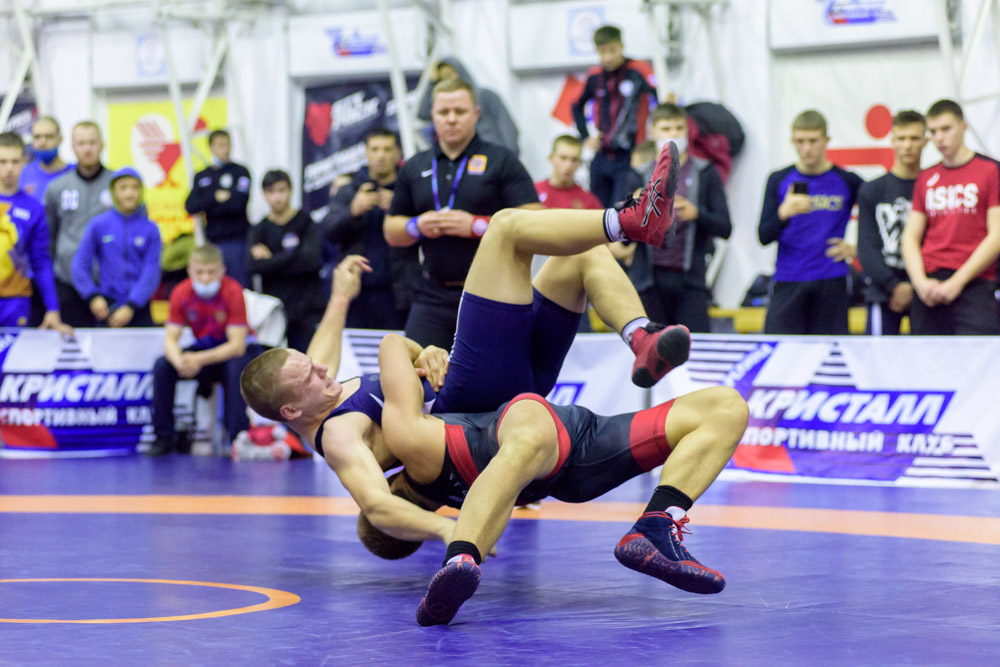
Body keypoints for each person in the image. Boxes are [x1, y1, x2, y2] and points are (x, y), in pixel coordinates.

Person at [241, 144, 747, 626]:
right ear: (292, 411)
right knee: (504, 229)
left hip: (509, 401)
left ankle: (641, 338)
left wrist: (346, 303)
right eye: (308, 376)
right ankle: (629, 222)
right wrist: (450, 531)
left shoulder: (318, 397)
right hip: (474, 397)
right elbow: (376, 506)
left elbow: (316, 361)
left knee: (582, 257)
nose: (321, 370)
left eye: (311, 366)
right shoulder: (339, 435)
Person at [385, 78, 541, 350]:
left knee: (494, 374)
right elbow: (391, 230)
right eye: (444, 112)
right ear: (432, 115)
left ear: (476, 114)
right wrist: (417, 225)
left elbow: (535, 221)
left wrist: (477, 226)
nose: (451, 119)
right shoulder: (415, 165)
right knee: (414, 369)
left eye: (460, 111)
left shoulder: (501, 160)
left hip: (493, 293)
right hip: (433, 294)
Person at [624, 103, 732, 333]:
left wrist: (697, 213)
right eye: (666, 129)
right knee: (652, 347)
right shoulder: (638, 175)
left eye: (678, 128)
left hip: (691, 282)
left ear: (687, 131)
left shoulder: (705, 172)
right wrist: (636, 211)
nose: (673, 134)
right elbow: (621, 237)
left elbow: (725, 227)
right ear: (652, 132)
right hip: (648, 282)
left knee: (695, 347)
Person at [148, 243, 264, 456]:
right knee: (163, 365)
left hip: (232, 353)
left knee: (235, 368)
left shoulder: (233, 291)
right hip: (204, 350)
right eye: (199, 272)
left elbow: (237, 346)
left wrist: (198, 359)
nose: (205, 278)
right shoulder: (181, 292)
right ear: (190, 271)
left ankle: (237, 439)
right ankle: (163, 437)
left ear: (222, 271)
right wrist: (180, 362)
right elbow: (170, 340)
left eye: (211, 272)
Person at [758, 109, 864, 335]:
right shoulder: (779, 179)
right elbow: (763, 236)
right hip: (788, 277)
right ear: (792, 141)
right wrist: (783, 213)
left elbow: (878, 215)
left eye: (813, 141)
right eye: (800, 141)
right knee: (781, 351)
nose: (806, 148)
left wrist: (857, 249)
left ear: (826, 140)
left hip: (831, 279)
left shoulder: (847, 180)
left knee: (831, 352)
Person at [901, 99, 1000, 335]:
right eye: (933, 131)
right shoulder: (927, 177)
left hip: (975, 281)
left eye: (946, 129)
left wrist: (958, 282)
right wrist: (920, 283)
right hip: (930, 283)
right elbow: (910, 237)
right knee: (926, 355)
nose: (939, 138)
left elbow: (996, 235)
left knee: (979, 354)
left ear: (963, 127)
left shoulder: (990, 170)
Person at [323, 128, 419, 330]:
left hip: (398, 292)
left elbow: (427, 231)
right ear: (366, 152)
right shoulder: (349, 190)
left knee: (398, 347)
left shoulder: (410, 189)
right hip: (356, 292)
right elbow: (328, 233)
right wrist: (353, 212)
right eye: (375, 149)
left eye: (387, 149)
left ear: (398, 153)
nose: (380, 156)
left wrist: (399, 207)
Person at [857, 110, 928, 336]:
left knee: (930, 355)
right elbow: (867, 246)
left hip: (927, 290)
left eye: (914, 138)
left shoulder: (934, 186)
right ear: (892, 141)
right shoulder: (872, 189)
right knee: (877, 356)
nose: (907, 145)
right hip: (883, 292)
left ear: (926, 141)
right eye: (901, 138)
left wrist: (915, 285)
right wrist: (894, 285)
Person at [572, 24, 657, 208]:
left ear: (622, 47)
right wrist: (586, 137)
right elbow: (576, 105)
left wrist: (650, 143)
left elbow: (660, 97)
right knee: (597, 212)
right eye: (602, 51)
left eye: (612, 50)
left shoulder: (638, 69)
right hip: (601, 155)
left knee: (622, 211)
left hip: (631, 155)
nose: (608, 57)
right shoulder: (594, 75)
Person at [44, 121, 116, 327]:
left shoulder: (118, 185)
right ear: (73, 147)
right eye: (81, 143)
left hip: (109, 283)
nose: (87, 149)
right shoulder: (57, 188)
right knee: (72, 343)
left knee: (111, 345)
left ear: (102, 145)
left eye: (92, 142)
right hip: (68, 283)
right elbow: (50, 237)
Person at [71, 167, 162, 328]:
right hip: (107, 307)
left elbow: (151, 271)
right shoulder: (99, 224)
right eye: (123, 187)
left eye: (135, 187)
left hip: (139, 309)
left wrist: (132, 305)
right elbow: (79, 264)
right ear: (113, 191)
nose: (129, 193)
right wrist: (92, 296)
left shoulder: (150, 229)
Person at [0, 131, 72, 334]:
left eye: (14, 161)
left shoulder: (34, 208)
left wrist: (53, 309)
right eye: (2, 161)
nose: (9, 168)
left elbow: (40, 261)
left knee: (13, 356)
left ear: (25, 161)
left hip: (16, 299)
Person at [248, 169, 326, 352]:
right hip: (274, 311)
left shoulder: (306, 222)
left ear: (290, 190)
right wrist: (294, 256)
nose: (277, 197)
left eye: (281, 190)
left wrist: (271, 259)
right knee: (274, 364)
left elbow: (312, 260)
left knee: (308, 360)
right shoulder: (259, 228)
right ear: (264, 194)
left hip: (306, 308)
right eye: (271, 192)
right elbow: (252, 265)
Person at [184, 129, 252, 287]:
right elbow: (191, 206)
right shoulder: (202, 176)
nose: (225, 149)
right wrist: (215, 197)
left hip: (238, 241)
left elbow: (238, 204)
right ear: (212, 148)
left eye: (227, 145)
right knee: (213, 287)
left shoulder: (240, 172)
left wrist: (209, 206)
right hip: (212, 243)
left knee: (239, 287)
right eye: (221, 145)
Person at [417, 56, 520, 155]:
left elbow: (508, 128)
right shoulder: (444, 102)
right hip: (463, 156)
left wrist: (509, 157)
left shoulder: (485, 95)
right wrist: (432, 81)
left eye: (450, 75)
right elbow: (423, 114)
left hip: (493, 154)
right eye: (442, 79)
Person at [535, 135, 603, 210]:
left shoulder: (590, 202)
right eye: (563, 158)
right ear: (551, 158)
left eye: (574, 160)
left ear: (580, 163)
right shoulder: (533, 192)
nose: (568, 165)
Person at [20, 116, 74, 203]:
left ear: (60, 139)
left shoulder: (76, 173)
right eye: (37, 137)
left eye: (49, 136)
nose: (42, 142)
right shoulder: (23, 174)